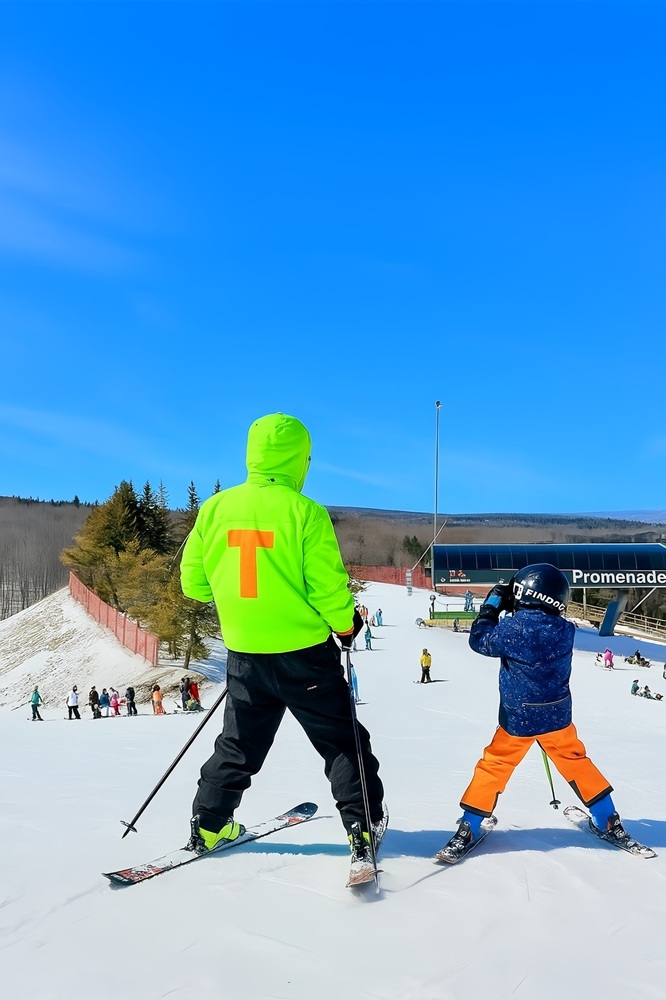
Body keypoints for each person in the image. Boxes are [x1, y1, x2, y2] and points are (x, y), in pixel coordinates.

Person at [180, 412, 385, 865]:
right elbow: (328, 587)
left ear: (252, 456)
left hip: (245, 652)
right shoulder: (304, 511)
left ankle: (210, 825)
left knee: (238, 744)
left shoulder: (214, 508)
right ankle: (362, 827)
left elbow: (193, 585)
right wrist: (345, 624)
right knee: (340, 742)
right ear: (301, 460)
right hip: (304, 654)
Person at [443, 564, 631, 859]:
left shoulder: (512, 628)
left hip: (518, 720)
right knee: (577, 763)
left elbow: (479, 640)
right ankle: (607, 817)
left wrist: (493, 605)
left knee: (494, 767)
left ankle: (470, 825)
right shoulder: (565, 630)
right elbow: (537, 624)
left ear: (522, 595)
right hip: (557, 717)